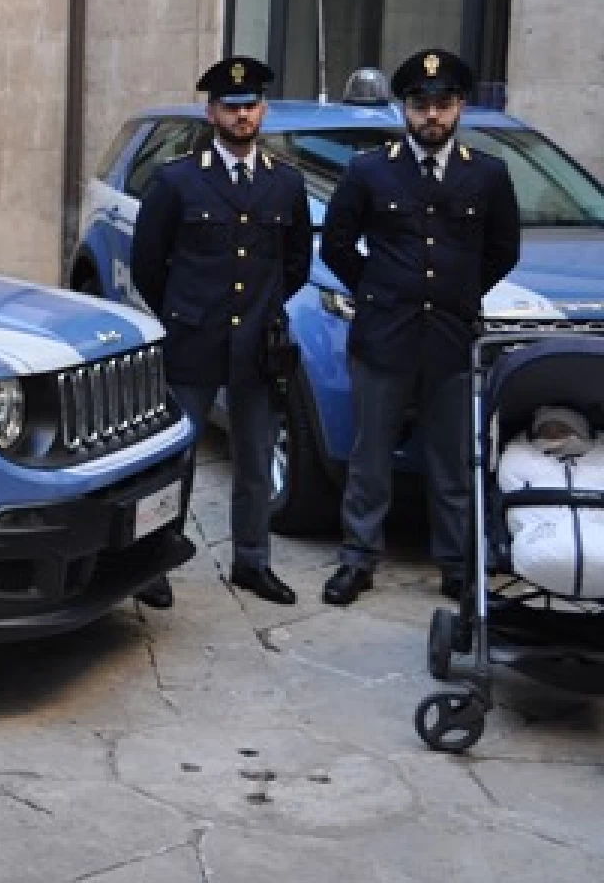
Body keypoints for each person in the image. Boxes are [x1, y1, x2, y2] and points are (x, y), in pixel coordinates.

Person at [320, 48, 522, 606]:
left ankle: (456, 564)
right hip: (385, 336)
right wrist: (377, 290)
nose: (432, 115)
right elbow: (336, 243)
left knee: (453, 461)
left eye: (443, 104)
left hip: (452, 338)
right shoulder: (369, 170)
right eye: (421, 105)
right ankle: (358, 557)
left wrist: (458, 292)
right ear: (404, 109)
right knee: (371, 458)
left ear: (460, 109)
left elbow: (503, 250)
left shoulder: (487, 174)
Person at [129, 57, 312, 608]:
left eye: (250, 106)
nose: (241, 116)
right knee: (175, 459)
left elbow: (295, 264)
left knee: (255, 460)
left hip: (257, 344)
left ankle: (252, 562)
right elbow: (148, 263)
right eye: (230, 107)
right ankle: (156, 561)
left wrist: (263, 312)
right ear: (211, 112)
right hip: (194, 338)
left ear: (264, 111)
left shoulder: (286, 183)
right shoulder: (178, 180)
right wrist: (184, 311)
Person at [498, 406, 604, 598]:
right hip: (539, 549)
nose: (554, 436)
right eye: (546, 430)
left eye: (562, 429)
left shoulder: (598, 459)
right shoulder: (520, 457)